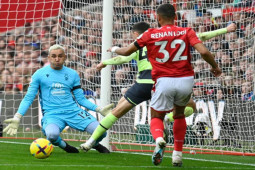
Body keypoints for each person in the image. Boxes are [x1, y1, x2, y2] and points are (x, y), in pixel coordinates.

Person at [80, 18, 235, 161]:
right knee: (189, 108)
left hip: (143, 84)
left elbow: (123, 57)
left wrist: (106, 61)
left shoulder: (144, 42)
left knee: (117, 112)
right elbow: (202, 36)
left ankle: (90, 141)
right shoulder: (175, 36)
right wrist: (225, 30)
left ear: (136, 34)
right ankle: (168, 122)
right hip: (162, 81)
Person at [107, 4, 221, 167]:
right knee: (180, 115)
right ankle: (177, 155)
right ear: (175, 17)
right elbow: (204, 52)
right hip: (185, 80)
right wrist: (215, 67)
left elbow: (126, 52)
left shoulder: (150, 33)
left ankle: (160, 139)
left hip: (163, 80)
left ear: (158, 18)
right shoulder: (187, 31)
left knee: (156, 117)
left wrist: (115, 48)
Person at [3, 44, 113, 153]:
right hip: (52, 114)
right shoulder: (39, 74)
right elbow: (28, 98)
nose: (57, 59)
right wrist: (17, 117)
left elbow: (81, 99)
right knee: (51, 135)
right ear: (49, 58)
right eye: (54, 56)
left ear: (65, 57)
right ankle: (65, 146)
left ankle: (95, 144)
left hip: (73, 112)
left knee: (102, 132)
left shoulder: (73, 74)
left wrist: (99, 109)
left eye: (60, 56)